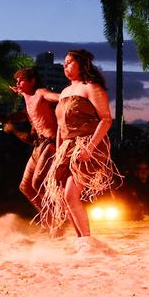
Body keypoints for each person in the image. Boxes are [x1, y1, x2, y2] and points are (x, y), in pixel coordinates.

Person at [40, 50, 119, 251]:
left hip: (87, 145)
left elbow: (106, 119)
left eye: (68, 63)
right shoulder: (65, 92)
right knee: (65, 197)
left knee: (70, 195)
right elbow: (60, 127)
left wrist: (90, 148)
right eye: (64, 64)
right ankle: (81, 240)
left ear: (81, 64)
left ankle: (86, 241)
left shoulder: (91, 88)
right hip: (66, 147)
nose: (65, 67)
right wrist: (59, 153)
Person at [0, 67, 59, 228]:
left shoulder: (41, 93)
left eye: (21, 80)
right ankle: (49, 220)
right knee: (25, 187)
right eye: (17, 81)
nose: (17, 83)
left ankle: (56, 218)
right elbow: (6, 119)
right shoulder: (28, 102)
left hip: (50, 144)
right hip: (39, 147)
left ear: (32, 81)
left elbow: (56, 97)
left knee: (37, 184)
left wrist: (75, 92)